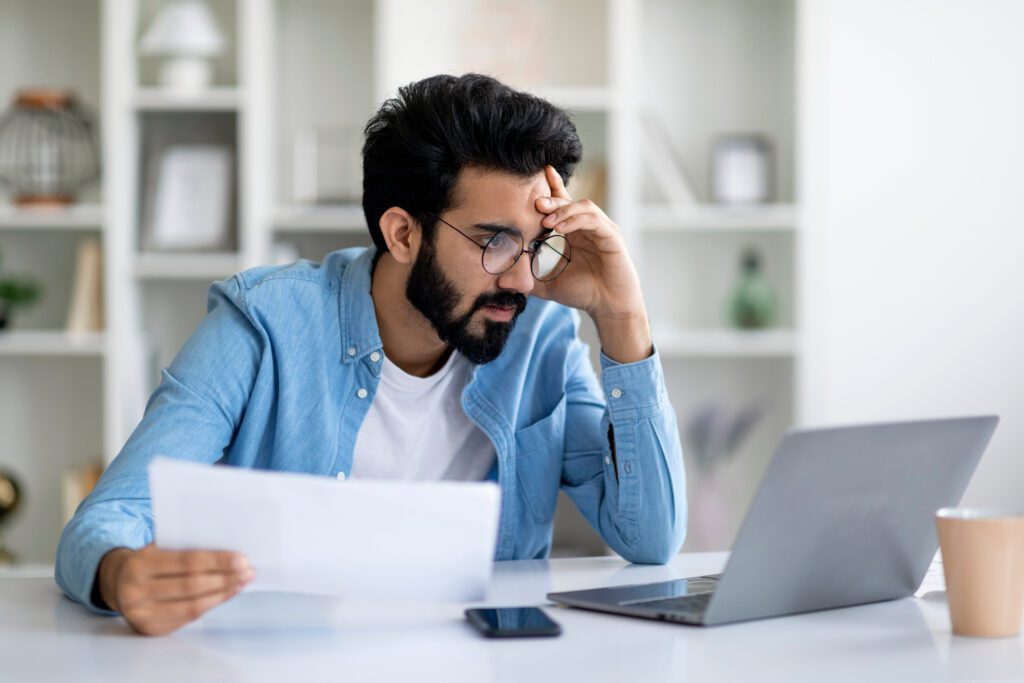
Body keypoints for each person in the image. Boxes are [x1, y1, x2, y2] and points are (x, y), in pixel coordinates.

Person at [56, 73, 687, 636]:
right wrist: (119, 576)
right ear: (403, 233)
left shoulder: (541, 337)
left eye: (534, 245)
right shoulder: (266, 323)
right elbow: (111, 517)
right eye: (496, 243)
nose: (522, 280)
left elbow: (651, 539)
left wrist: (622, 315)